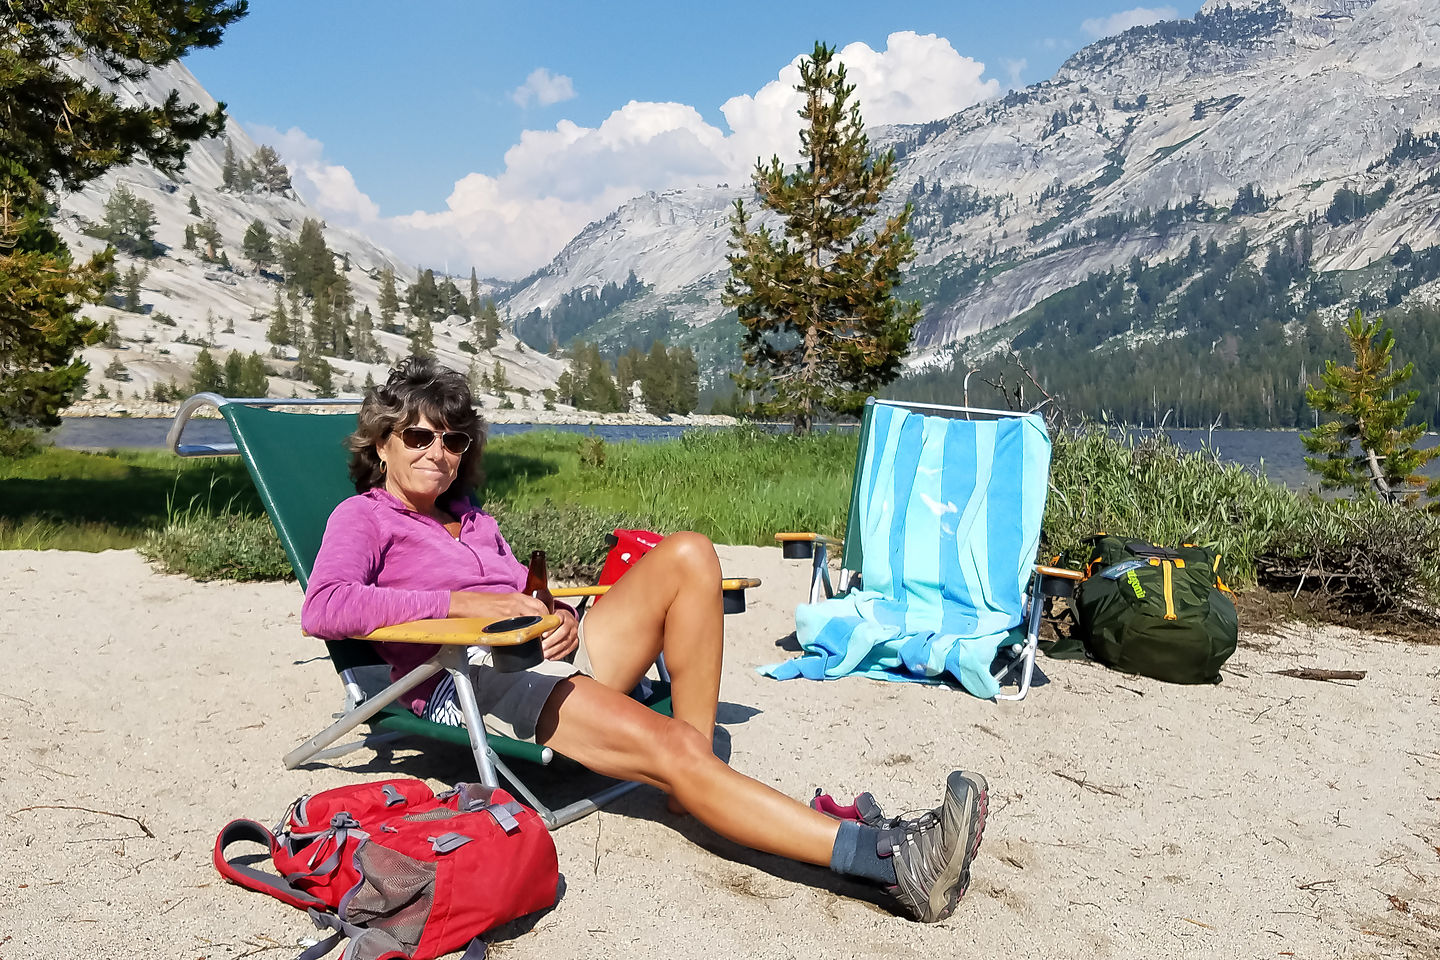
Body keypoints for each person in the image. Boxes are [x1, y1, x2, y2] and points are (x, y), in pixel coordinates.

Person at [301, 356, 989, 923]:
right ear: (383, 442)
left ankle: (687, 779)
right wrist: (460, 601)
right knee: (674, 749)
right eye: (419, 437)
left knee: (689, 552)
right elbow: (325, 606)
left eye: (453, 440)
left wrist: (559, 612)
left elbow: (525, 594)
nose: (438, 454)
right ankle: (887, 861)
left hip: (545, 654)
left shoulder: (470, 518)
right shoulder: (363, 518)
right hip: (469, 676)